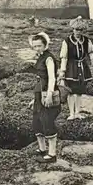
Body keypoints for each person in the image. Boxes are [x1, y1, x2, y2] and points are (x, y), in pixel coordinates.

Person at [27, 32, 61, 163]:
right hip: (39, 93)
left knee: (47, 121)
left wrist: (50, 95)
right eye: (35, 46)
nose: (37, 48)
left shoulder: (49, 58)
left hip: (48, 93)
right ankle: (42, 149)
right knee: (36, 121)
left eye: (39, 46)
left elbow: (52, 78)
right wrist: (34, 99)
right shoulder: (40, 57)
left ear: (45, 45)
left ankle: (52, 154)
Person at [58, 16, 93, 120]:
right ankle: (72, 113)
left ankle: (78, 112)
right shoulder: (67, 41)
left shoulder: (86, 40)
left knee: (79, 92)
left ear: (82, 30)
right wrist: (62, 71)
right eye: (76, 29)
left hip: (82, 68)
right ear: (73, 29)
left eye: (80, 30)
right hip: (71, 68)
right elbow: (64, 57)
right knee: (71, 91)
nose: (78, 32)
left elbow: (90, 51)